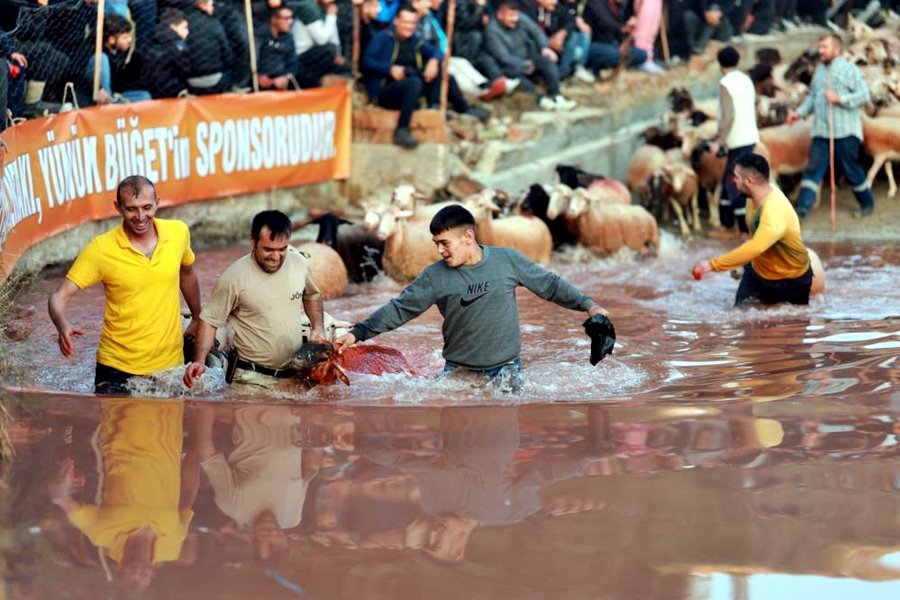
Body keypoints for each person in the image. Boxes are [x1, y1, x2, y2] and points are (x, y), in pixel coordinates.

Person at [332, 205, 608, 386]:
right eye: (436, 244)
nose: (439, 250)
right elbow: (399, 309)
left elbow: (550, 285)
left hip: (507, 371)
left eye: (444, 243)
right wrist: (357, 333)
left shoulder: (507, 260)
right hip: (458, 373)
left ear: (467, 237)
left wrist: (589, 306)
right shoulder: (434, 276)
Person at [48, 176, 201, 395]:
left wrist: (197, 316)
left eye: (147, 207)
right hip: (116, 368)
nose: (140, 217)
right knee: (116, 429)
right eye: (131, 209)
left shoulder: (178, 233)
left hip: (170, 365)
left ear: (158, 202)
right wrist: (62, 325)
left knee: (167, 429)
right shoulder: (101, 248)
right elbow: (58, 296)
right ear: (117, 207)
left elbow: (187, 272)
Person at [182, 210, 327, 388]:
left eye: (282, 249)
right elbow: (210, 320)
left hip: (293, 377)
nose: (275, 257)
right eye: (268, 249)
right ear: (252, 240)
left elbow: (311, 295)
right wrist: (199, 361)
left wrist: (318, 327)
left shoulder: (299, 263)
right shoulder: (234, 277)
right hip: (251, 380)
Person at [691, 153, 816, 307]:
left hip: (790, 280)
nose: (733, 181)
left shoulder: (774, 211)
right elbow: (755, 240)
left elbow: (757, 246)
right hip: (757, 274)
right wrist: (740, 263)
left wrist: (712, 264)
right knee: (740, 318)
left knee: (792, 323)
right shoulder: (753, 197)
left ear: (749, 181)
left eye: (736, 177)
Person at [360, 4, 489, 150]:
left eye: (412, 23)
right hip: (385, 89)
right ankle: (402, 129)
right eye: (405, 22)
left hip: (409, 84)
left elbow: (437, 52)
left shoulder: (414, 40)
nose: (409, 27)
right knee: (413, 83)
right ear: (396, 21)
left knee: (440, 72)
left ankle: (445, 108)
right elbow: (366, 62)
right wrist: (389, 69)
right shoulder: (382, 38)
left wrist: (433, 62)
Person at [787, 33, 874, 220]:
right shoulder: (819, 71)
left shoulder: (850, 70)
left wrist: (840, 99)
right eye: (820, 47)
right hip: (822, 130)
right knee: (813, 169)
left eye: (825, 47)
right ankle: (802, 208)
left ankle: (867, 203)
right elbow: (812, 97)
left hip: (844, 131)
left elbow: (864, 95)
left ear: (837, 49)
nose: (821, 51)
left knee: (851, 169)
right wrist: (799, 113)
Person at [482, 0, 576, 111]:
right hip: (509, 65)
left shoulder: (521, 18)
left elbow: (536, 31)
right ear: (500, 15)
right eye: (510, 15)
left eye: (515, 15)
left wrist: (544, 47)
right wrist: (524, 64)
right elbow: (503, 57)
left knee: (547, 62)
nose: (514, 19)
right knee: (519, 80)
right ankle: (540, 100)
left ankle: (556, 95)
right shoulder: (492, 31)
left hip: (528, 57)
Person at [709, 45, 758, 234]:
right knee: (728, 178)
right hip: (750, 136)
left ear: (720, 64)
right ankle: (726, 222)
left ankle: (744, 229)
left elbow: (728, 116)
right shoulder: (746, 79)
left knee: (733, 182)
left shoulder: (725, 83)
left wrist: (719, 141)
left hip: (736, 139)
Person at [140, 8, 191, 98]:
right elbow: (185, 70)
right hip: (171, 91)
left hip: (151, 90)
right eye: (184, 28)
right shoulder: (177, 45)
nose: (188, 32)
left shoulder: (152, 38)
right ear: (173, 27)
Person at [257, 5, 298, 90]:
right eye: (286, 18)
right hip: (259, 85)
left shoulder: (288, 38)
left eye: (291, 18)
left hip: (281, 84)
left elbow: (292, 63)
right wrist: (259, 76)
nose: (291, 22)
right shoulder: (260, 37)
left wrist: (285, 77)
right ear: (274, 20)